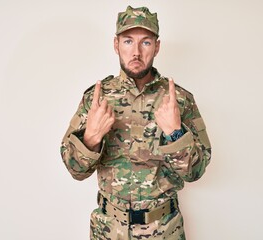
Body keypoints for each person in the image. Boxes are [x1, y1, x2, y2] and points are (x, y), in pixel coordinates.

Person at [60, 5, 212, 240]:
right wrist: (90, 139)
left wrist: (175, 133)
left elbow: (196, 171)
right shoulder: (97, 99)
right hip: (109, 230)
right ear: (116, 45)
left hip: (164, 230)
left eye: (146, 42)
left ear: (157, 47)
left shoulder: (178, 99)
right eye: (128, 41)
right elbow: (75, 170)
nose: (136, 53)